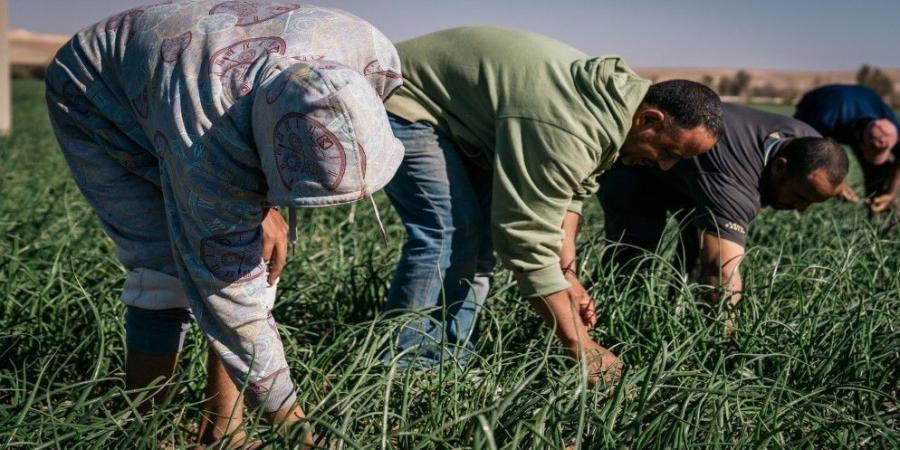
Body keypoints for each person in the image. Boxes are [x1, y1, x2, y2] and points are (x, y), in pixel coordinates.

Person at [45, 1, 403, 444]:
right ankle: (139, 430)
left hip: (197, 78)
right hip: (97, 94)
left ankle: (221, 430)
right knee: (164, 272)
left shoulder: (373, 52)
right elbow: (231, 299)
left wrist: (262, 203)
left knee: (256, 256)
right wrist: (297, 432)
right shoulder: (206, 143)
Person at [380, 26, 723, 381]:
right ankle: (407, 370)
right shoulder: (571, 127)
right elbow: (525, 241)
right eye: (667, 152)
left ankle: (447, 364)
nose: (665, 166)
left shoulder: (616, 109)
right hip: (407, 99)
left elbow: (571, 197)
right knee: (451, 234)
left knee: (479, 244)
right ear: (650, 120)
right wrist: (581, 347)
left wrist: (567, 275)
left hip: (462, 122)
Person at [598, 103, 848, 308]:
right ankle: (612, 311)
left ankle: (674, 310)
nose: (800, 209)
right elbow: (722, 270)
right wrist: (726, 346)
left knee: (696, 252)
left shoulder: (812, 148)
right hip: (636, 165)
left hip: (695, 176)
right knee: (634, 252)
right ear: (779, 166)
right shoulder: (733, 183)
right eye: (800, 197)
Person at [794, 84, 899, 216]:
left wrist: (890, 192)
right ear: (861, 145)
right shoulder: (826, 119)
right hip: (819, 105)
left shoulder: (889, 126)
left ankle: (879, 216)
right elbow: (799, 146)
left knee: (879, 175)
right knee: (800, 166)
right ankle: (794, 209)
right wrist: (837, 185)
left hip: (865, 98)